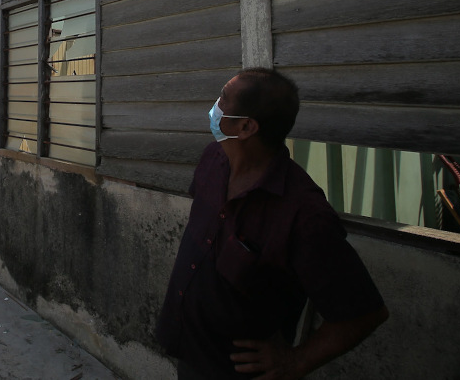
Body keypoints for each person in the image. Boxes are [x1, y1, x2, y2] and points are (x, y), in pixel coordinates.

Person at [156, 68, 388, 379]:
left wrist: (297, 361)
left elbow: (363, 313)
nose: (214, 106)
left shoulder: (303, 214)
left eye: (223, 99)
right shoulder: (213, 159)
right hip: (190, 354)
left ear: (246, 126)